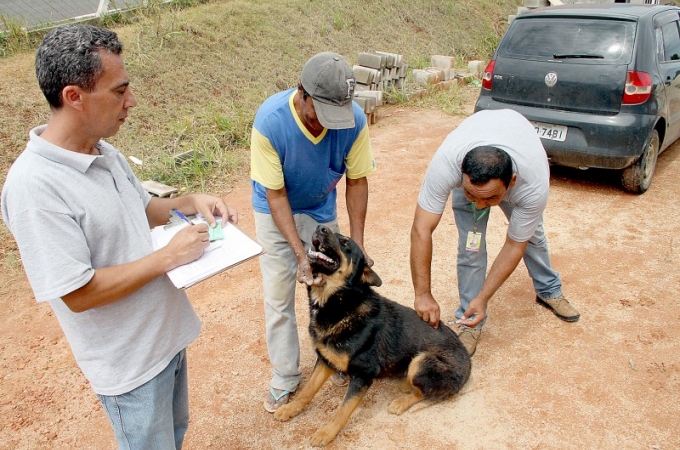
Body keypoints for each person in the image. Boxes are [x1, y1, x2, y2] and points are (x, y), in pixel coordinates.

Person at [1, 24, 237, 449]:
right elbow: (77, 293)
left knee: (174, 436)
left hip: (164, 337)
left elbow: (141, 211)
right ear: (74, 97)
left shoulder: (103, 151)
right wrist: (168, 258)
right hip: (129, 365)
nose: (131, 101)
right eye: (119, 90)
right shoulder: (34, 187)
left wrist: (191, 200)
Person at [250, 52, 377, 412]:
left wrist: (359, 244)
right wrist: (298, 255)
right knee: (279, 297)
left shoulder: (353, 121)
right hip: (277, 211)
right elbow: (275, 196)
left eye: (333, 115)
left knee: (336, 289)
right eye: (318, 112)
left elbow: (357, 180)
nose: (325, 123)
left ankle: (339, 355)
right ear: (301, 92)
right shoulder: (271, 122)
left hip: (321, 209)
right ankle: (285, 375)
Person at [410, 109, 579, 357]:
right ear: (461, 171)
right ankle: (470, 320)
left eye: (490, 198)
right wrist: (422, 294)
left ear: (511, 181)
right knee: (471, 247)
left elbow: (514, 245)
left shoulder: (532, 184)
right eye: (470, 194)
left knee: (532, 236)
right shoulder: (447, 163)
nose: (479, 205)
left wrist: (485, 296)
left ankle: (548, 290)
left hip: (518, 153)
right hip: (476, 143)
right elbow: (421, 229)